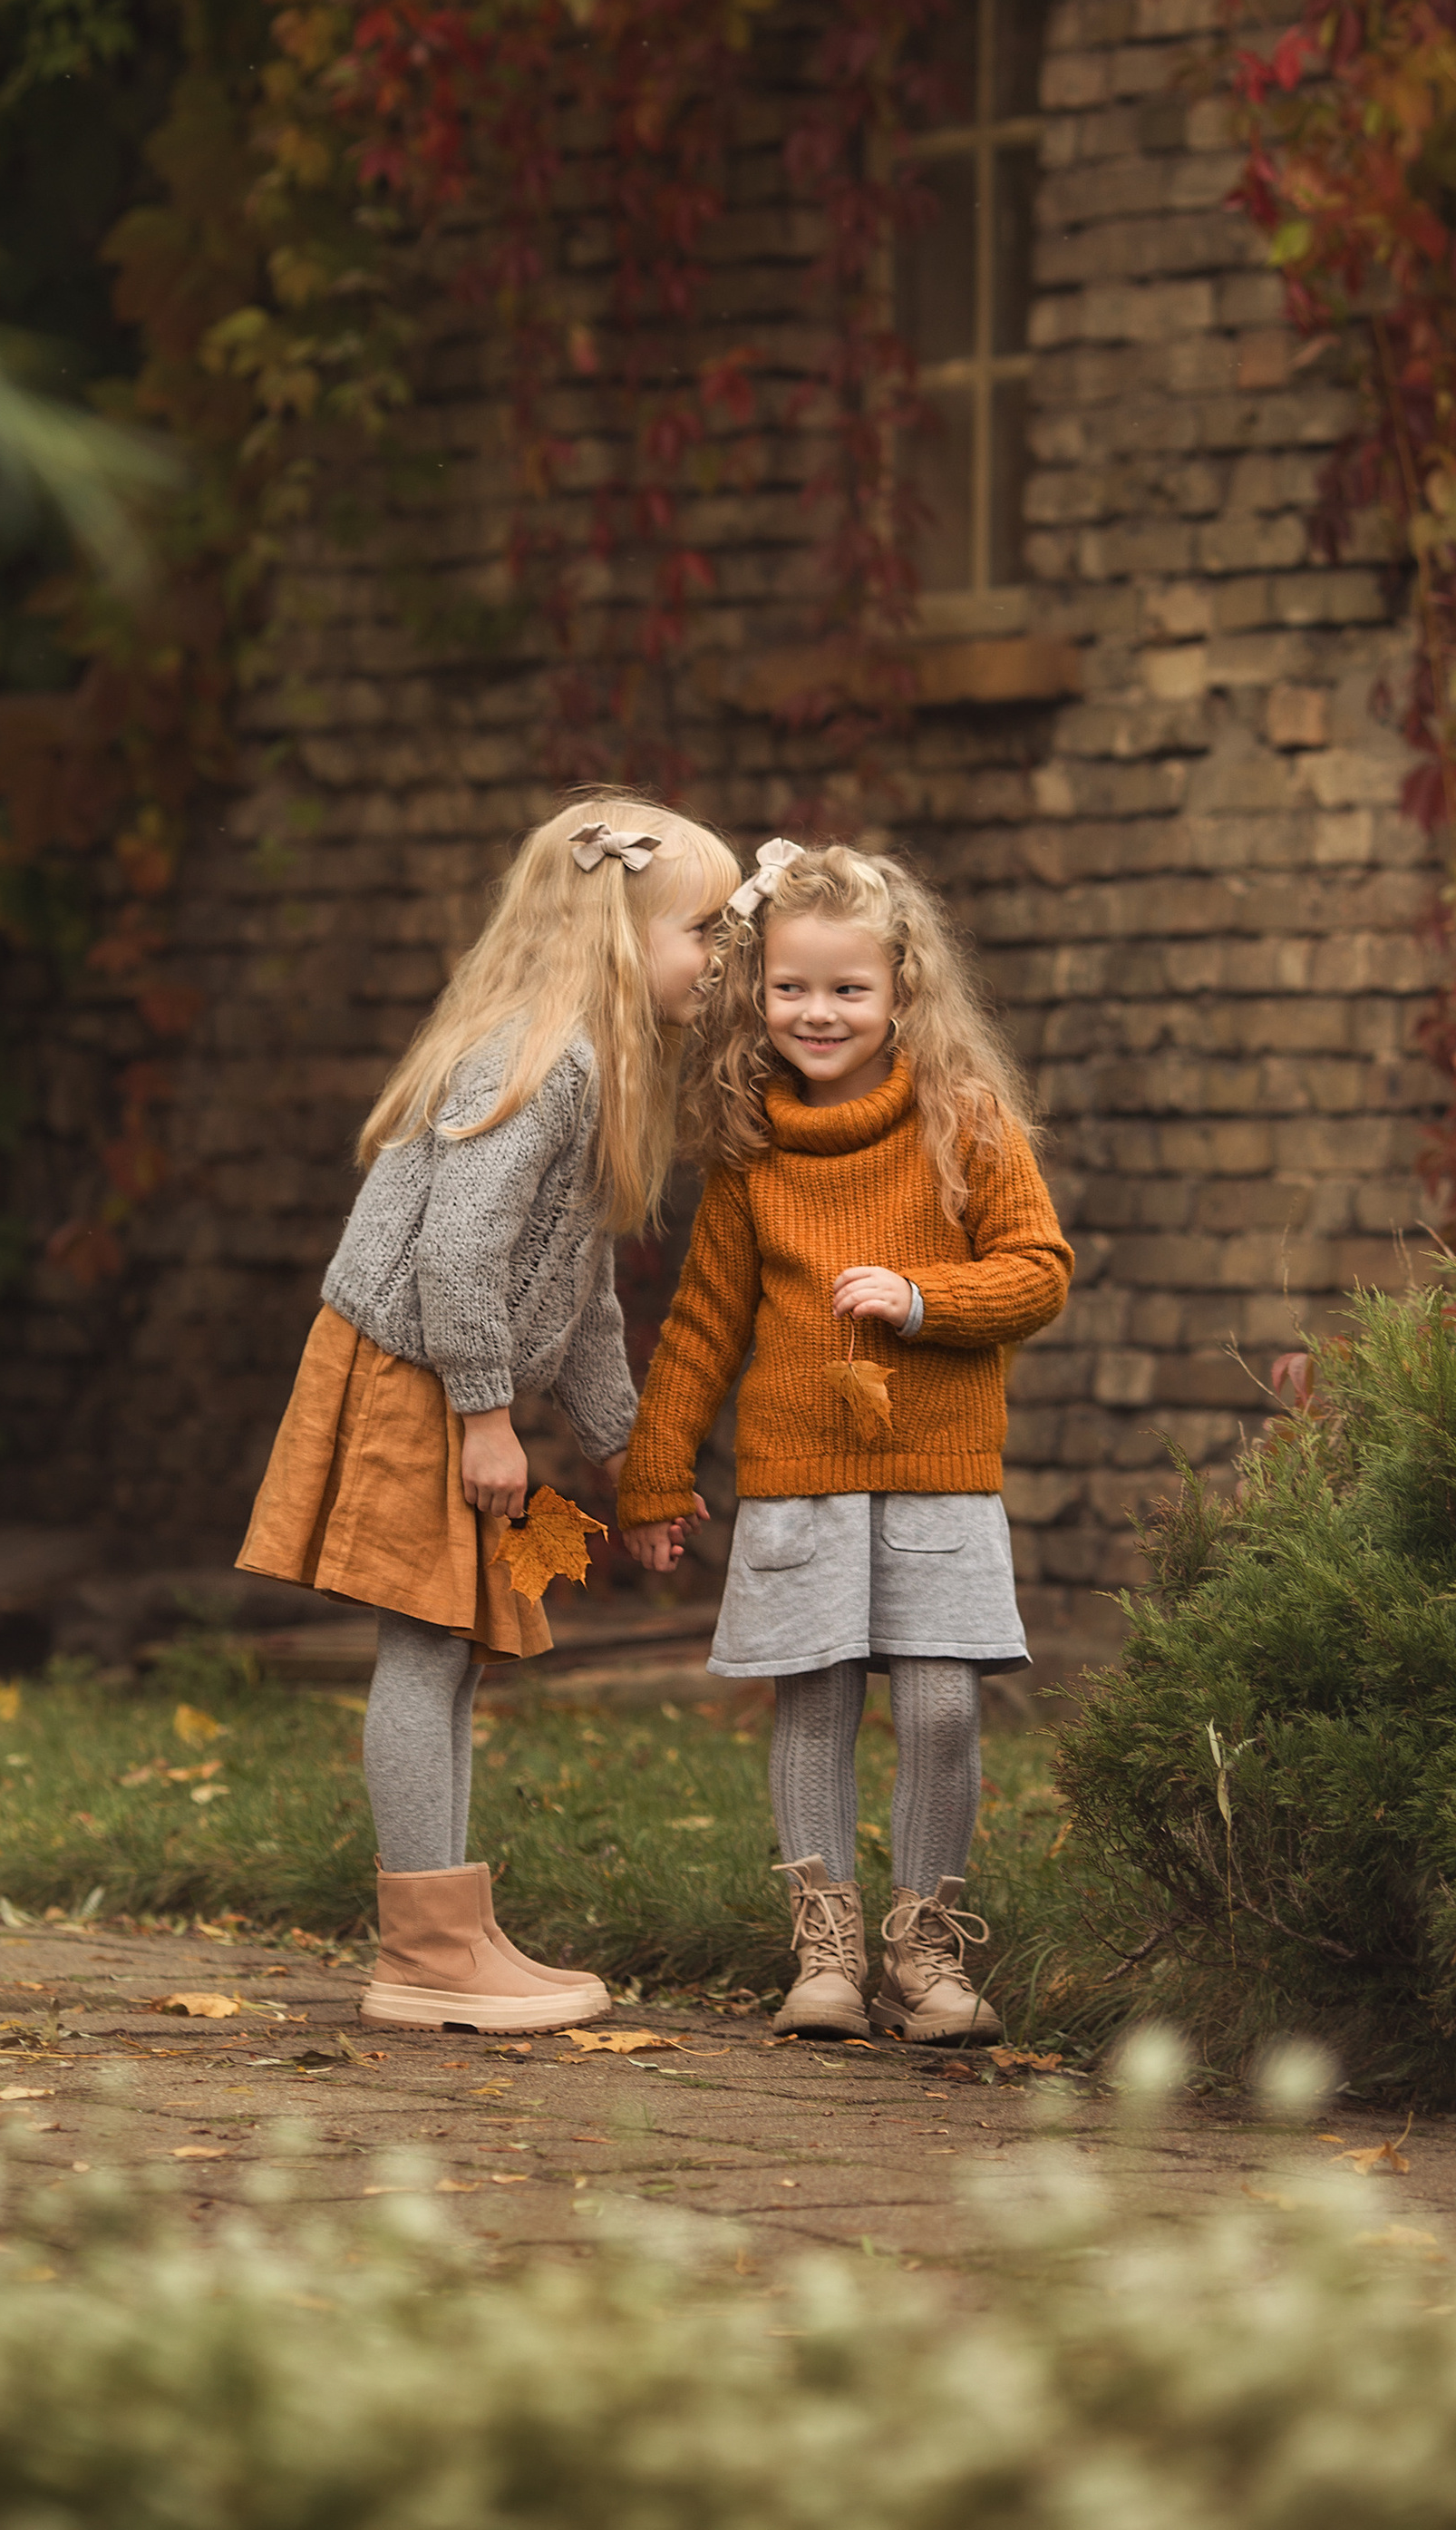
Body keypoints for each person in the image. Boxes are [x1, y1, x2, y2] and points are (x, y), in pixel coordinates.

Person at [238, 791, 739, 2031]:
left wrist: (631, 1454)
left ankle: (451, 1933)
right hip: (414, 1370)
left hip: (444, 1374)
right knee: (425, 1642)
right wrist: (481, 1416)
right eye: (709, 927)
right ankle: (421, 1958)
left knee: (450, 1652)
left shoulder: (596, 1068)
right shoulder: (545, 1059)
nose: (728, 954)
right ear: (623, 935)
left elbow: (578, 1296)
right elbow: (458, 1255)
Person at [617, 840, 1071, 2044]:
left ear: (902, 988)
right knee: (813, 1705)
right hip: (798, 1478)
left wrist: (924, 1300)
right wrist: (657, 1469)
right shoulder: (749, 1150)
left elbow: (1039, 1272)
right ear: (757, 992)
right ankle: (823, 1948)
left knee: (937, 1710)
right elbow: (706, 1322)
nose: (818, 1013)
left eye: (849, 989)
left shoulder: (964, 1122)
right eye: (792, 988)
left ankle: (925, 1950)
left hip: (939, 1472)